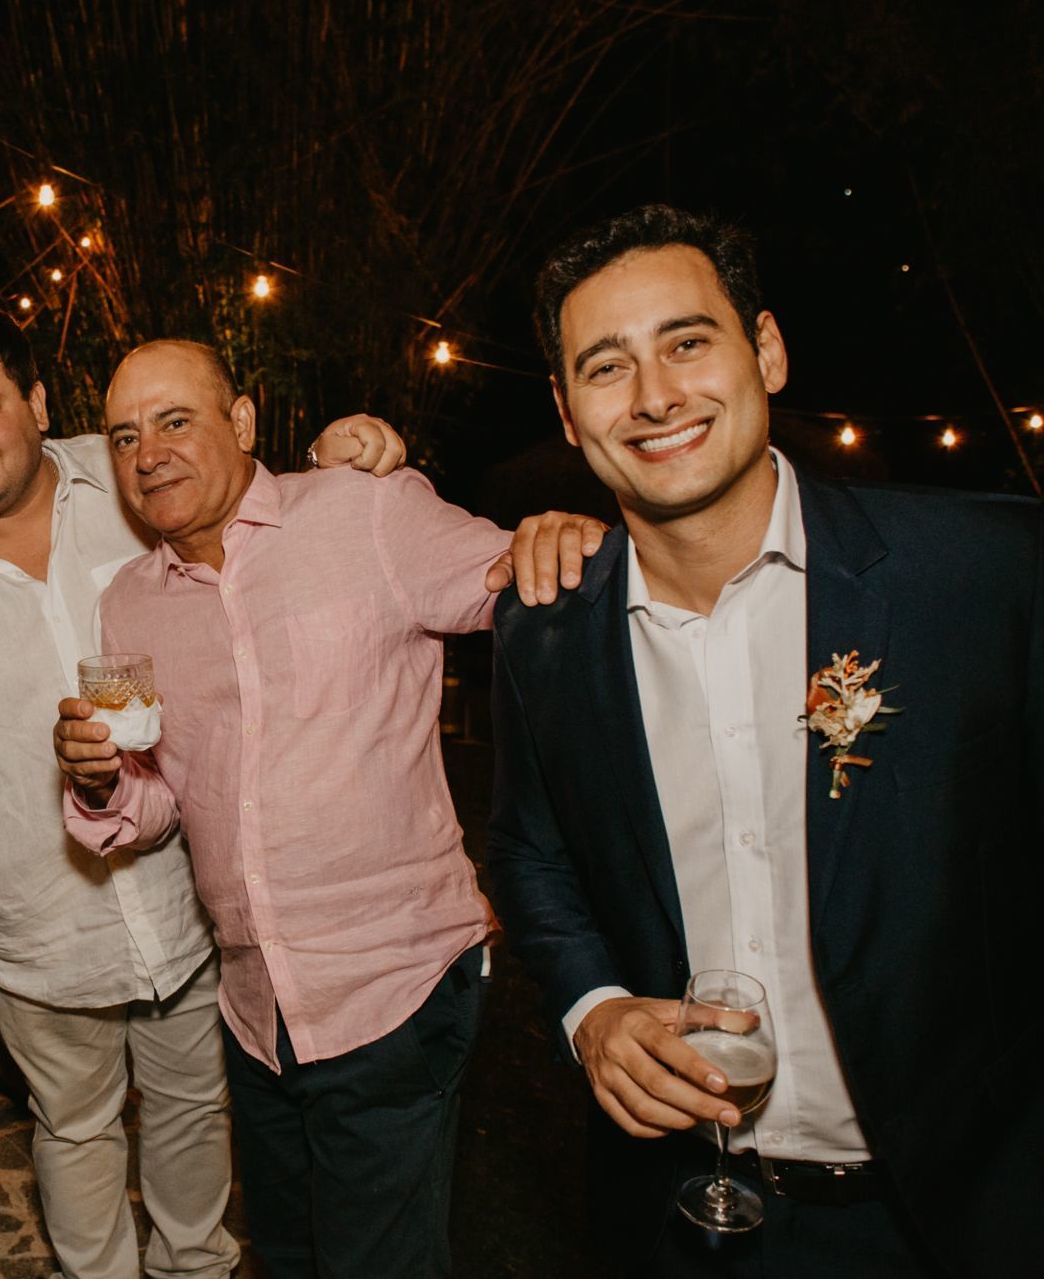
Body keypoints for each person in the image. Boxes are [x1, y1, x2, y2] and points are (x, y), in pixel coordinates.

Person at [487, 203, 1044, 1276]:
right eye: (607, 366)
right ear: (566, 411)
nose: (653, 397)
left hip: (955, 1214)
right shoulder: (543, 627)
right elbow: (528, 850)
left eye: (687, 342)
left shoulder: (985, 579)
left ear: (768, 351)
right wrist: (593, 1011)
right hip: (679, 1212)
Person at [52, 339, 602, 1277]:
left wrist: (553, 541)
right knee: (292, 1256)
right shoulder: (129, 605)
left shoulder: (362, 510)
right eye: (125, 434)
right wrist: (102, 780)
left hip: (393, 987)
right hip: (258, 1011)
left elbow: (512, 580)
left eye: (176, 420)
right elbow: (161, 797)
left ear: (243, 424)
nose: (149, 453)